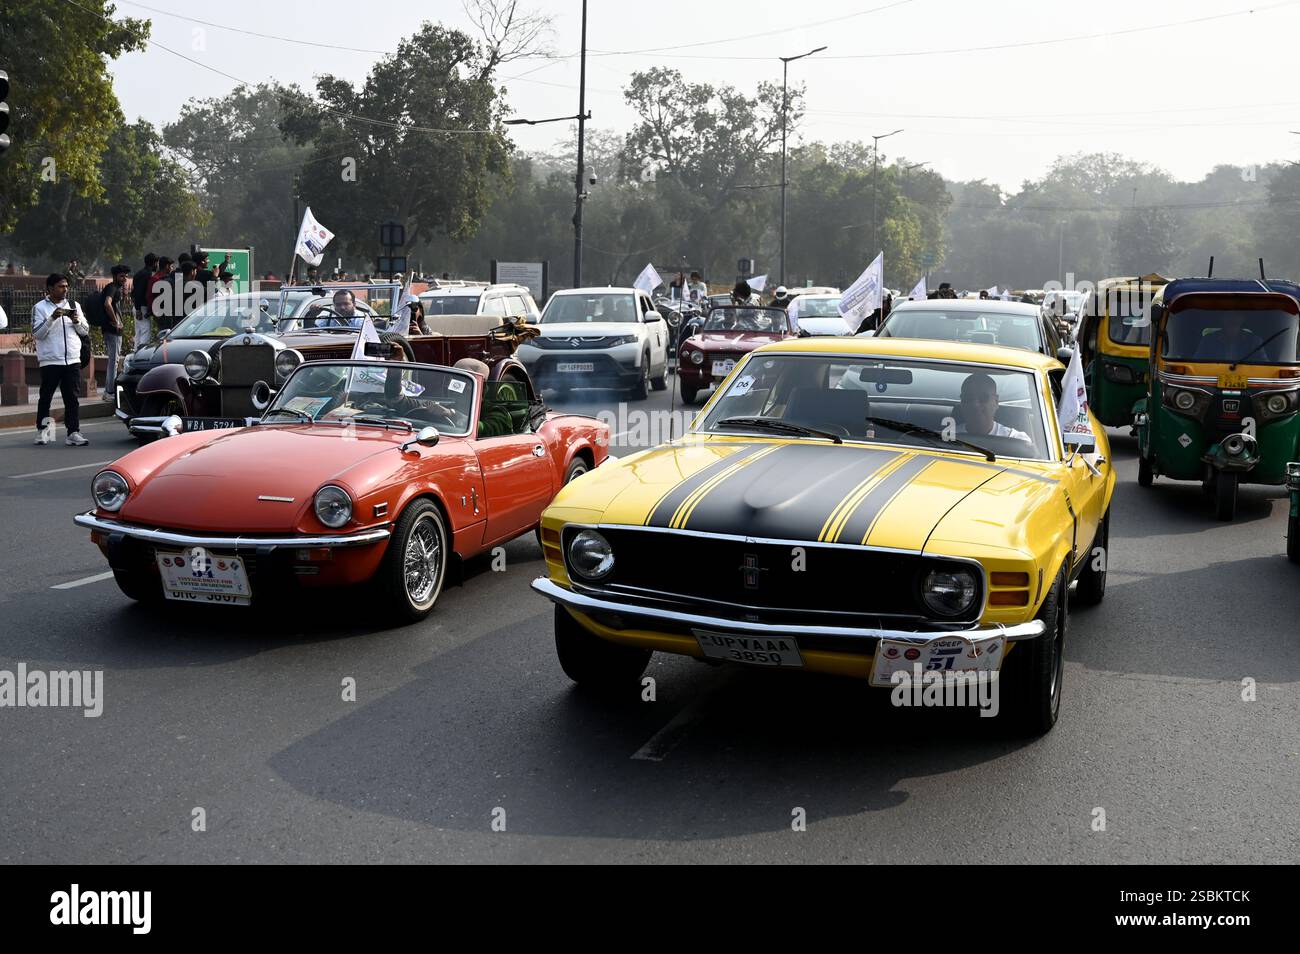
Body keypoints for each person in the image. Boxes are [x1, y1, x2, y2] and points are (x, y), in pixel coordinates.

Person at [32, 273, 90, 446]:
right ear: (50, 288)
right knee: (46, 397)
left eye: (66, 286)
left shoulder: (74, 305)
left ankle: (73, 432)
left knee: (72, 398)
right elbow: (37, 333)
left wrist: (76, 321)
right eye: (60, 286)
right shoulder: (40, 307)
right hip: (50, 359)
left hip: (71, 359)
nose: (65, 289)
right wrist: (52, 318)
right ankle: (43, 432)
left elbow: (85, 331)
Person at [958, 372, 1030, 442]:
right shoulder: (949, 437)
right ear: (961, 402)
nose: (975, 404)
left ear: (996, 402)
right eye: (968, 398)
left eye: (983, 398)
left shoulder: (1016, 440)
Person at [454, 358, 515, 438]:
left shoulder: (497, 410)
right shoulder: (455, 404)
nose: (455, 386)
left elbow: (488, 429)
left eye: (462, 382)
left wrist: (454, 415)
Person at [100, 265, 131, 402]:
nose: (124, 279)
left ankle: (109, 391)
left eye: (126, 276)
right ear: (114, 276)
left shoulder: (115, 289)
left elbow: (113, 306)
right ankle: (109, 392)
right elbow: (107, 304)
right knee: (114, 361)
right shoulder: (112, 288)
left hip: (111, 329)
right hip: (112, 330)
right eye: (121, 276)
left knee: (114, 360)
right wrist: (116, 322)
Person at [1192, 311, 1268, 361]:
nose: (1233, 318)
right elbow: (1197, 361)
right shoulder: (1208, 340)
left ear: (1243, 319)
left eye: (1237, 314)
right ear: (1222, 318)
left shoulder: (1255, 341)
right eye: (1229, 314)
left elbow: (1265, 364)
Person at [131, 253, 157, 350]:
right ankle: (141, 353)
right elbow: (139, 292)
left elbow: (134, 292)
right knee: (146, 331)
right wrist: (138, 309)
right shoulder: (147, 275)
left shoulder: (139, 273)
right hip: (142, 307)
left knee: (138, 332)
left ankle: (135, 353)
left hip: (137, 306)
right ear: (154, 263)